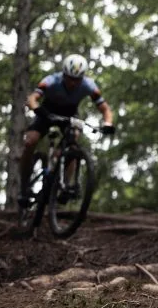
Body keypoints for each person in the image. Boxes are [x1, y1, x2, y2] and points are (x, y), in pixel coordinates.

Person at [19, 54, 114, 205]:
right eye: (69, 78)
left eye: (77, 80)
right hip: (47, 112)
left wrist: (108, 124)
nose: (73, 83)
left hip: (70, 114)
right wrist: (38, 110)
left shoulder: (89, 85)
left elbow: (105, 109)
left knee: (72, 146)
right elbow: (32, 99)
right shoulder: (51, 80)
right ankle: (24, 185)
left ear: (82, 78)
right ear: (63, 74)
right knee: (31, 142)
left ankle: (65, 186)